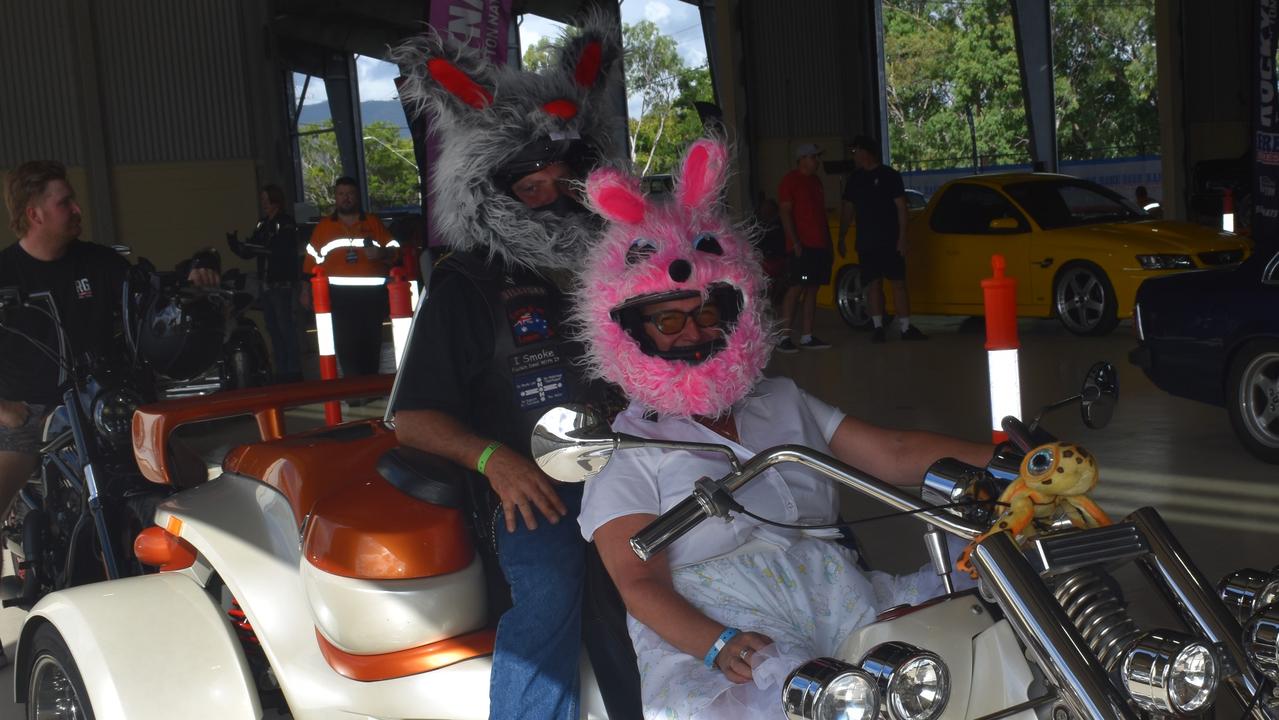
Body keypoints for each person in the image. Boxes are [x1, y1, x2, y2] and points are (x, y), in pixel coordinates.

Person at [572, 138, 991, 719]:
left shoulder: (780, 398)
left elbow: (893, 453)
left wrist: (1009, 463)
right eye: (668, 319)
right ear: (632, 330)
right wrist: (717, 644)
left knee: (983, 613)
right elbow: (636, 582)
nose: (693, 331)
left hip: (836, 596)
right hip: (723, 639)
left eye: (708, 312)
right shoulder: (628, 447)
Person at [388, 17, 641, 720]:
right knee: (554, 589)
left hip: (638, 465)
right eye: (533, 184)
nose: (555, 196)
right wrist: (495, 459)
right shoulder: (466, 284)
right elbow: (413, 418)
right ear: (495, 188)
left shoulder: (619, 269)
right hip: (537, 485)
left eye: (567, 180)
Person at [0, 162, 214, 667]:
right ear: (34, 213)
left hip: (106, 405)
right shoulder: (6, 275)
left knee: (193, 477)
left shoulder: (99, 263)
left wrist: (194, 272)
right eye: (64, 203)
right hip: (31, 413)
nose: (77, 210)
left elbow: (151, 289)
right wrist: (5, 411)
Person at [301, 176, 397, 378]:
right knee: (346, 344)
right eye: (341, 194)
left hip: (372, 296)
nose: (346, 198)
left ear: (357, 197)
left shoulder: (372, 222)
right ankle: (354, 392)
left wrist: (382, 253)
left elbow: (395, 250)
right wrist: (305, 290)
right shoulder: (324, 227)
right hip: (339, 297)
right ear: (335, 197)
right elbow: (310, 262)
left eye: (350, 194)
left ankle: (370, 388)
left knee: (371, 343)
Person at [838, 135, 928, 343]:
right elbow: (848, 208)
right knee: (872, 284)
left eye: (856, 151)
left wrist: (902, 237)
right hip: (866, 240)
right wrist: (842, 236)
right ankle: (878, 326)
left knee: (898, 283)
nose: (854, 156)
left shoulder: (890, 176)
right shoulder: (855, 179)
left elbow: (901, 208)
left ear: (865, 153)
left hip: (889, 239)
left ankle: (906, 327)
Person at [228, 184, 303, 382]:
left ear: (275, 201)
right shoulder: (263, 224)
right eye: (262, 200)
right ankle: (282, 370)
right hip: (266, 283)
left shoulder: (285, 222)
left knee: (285, 327)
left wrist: (258, 247)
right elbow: (253, 249)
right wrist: (238, 247)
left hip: (281, 283)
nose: (264, 204)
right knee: (273, 328)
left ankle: (293, 371)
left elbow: (280, 249)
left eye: (266, 200)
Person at [776, 143, 832, 352]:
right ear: (803, 158)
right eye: (814, 157)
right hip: (802, 247)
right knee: (796, 287)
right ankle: (784, 337)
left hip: (819, 246)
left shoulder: (816, 181)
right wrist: (796, 242)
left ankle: (807, 336)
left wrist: (828, 244)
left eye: (817, 157)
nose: (817, 161)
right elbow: (785, 213)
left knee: (812, 288)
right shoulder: (790, 181)